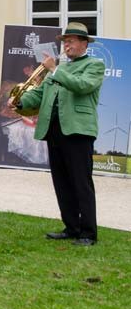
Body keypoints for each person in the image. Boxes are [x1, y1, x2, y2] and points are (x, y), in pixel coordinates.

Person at [8, 22, 104, 246]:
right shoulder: (58, 70)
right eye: (65, 41)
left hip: (78, 130)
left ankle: (88, 233)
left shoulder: (94, 65)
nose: (66, 45)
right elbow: (39, 96)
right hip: (54, 131)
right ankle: (71, 227)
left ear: (83, 43)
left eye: (70, 41)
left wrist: (55, 70)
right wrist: (20, 103)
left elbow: (82, 86)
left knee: (81, 182)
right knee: (61, 182)